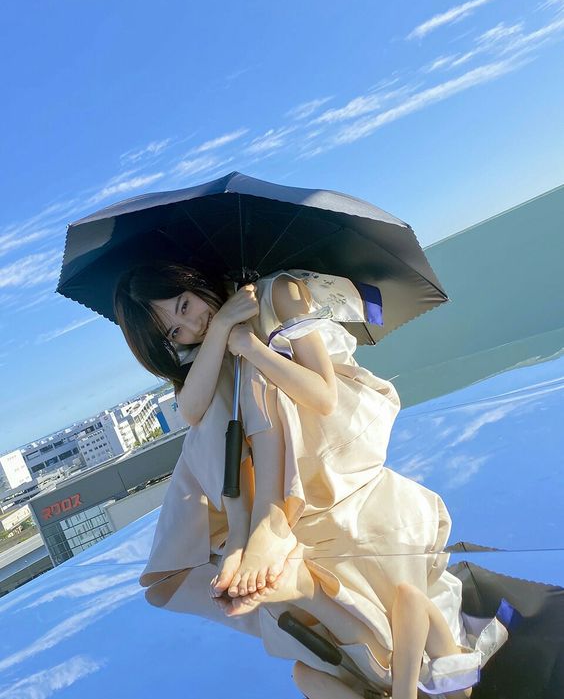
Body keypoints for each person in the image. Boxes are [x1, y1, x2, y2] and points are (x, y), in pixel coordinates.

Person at [114, 263, 508, 699]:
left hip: (331, 428)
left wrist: (252, 347)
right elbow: (190, 409)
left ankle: (265, 525)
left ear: (194, 281)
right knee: (209, 413)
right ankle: (250, 529)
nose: (191, 325)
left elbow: (323, 396)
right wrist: (225, 325)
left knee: (246, 380)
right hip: (281, 458)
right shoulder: (215, 336)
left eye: (185, 305)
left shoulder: (280, 291)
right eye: (173, 333)